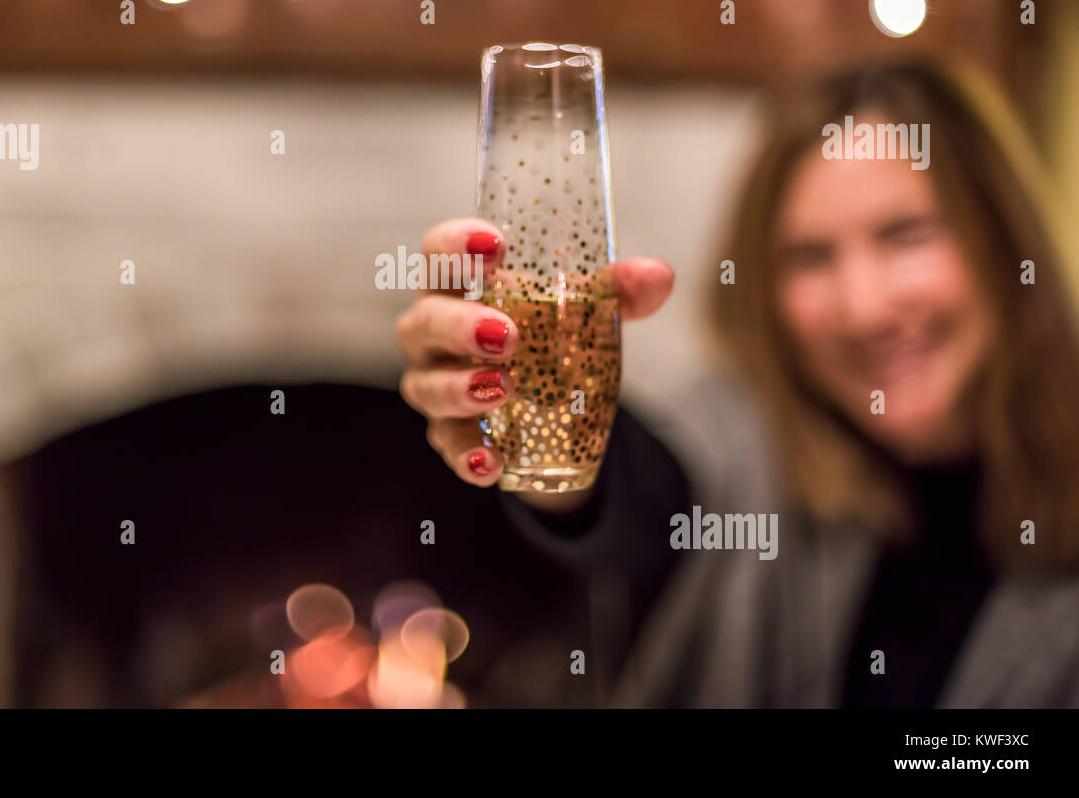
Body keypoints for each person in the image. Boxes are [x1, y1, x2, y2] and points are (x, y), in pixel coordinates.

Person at [395, 59, 1079, 707]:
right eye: (810, 256)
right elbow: (645, 495)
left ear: (1002, 238)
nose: (863, 306)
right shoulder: (741, 441)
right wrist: (551, 428)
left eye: (906, 234)